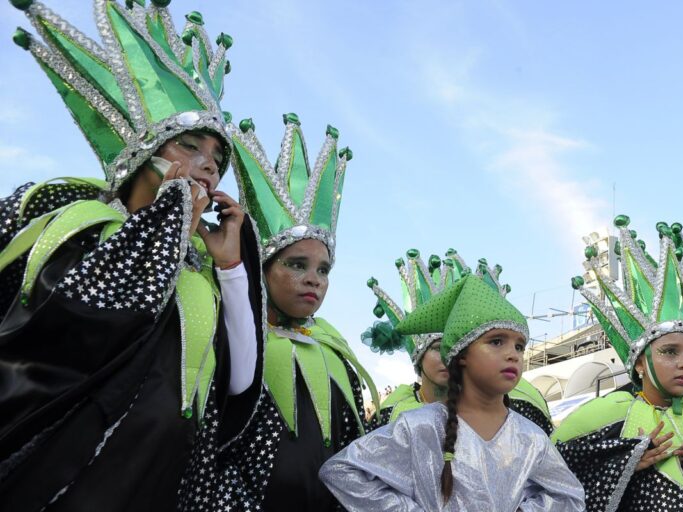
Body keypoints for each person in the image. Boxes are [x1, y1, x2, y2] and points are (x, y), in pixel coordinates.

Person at [0, 2, 263, 510]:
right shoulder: (72, 219)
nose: (208, 166)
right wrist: (164, 225)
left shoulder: (199, 272)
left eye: (217, 160)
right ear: (145, 149)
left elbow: (240, 380)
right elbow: (64, 334)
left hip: (159, 485)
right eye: (190, 146)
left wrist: (230, 269)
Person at [189, 114, 376, 510]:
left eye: (323, 270)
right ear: (262, 266)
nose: (314, 280)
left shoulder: (334, 350)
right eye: (296, 265)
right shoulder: (225, 333)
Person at [556, 215, 683, 511]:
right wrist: (624, 466)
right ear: (640, 364)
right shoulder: (603, 416)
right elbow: (552, 489)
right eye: (669, 352)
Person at [321, 275, 586, 511]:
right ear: (461, 355)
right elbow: (342, 470)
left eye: (519, 346)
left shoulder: (531, 438)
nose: (512, 355)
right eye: (496, 342)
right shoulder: (421, 426)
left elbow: (570, 497)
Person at [364, 248, 552, 433]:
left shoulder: (518, 410)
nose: (448, 356)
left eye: (519, 347)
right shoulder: (393, 417)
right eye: (438, 348)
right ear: (418, 356)